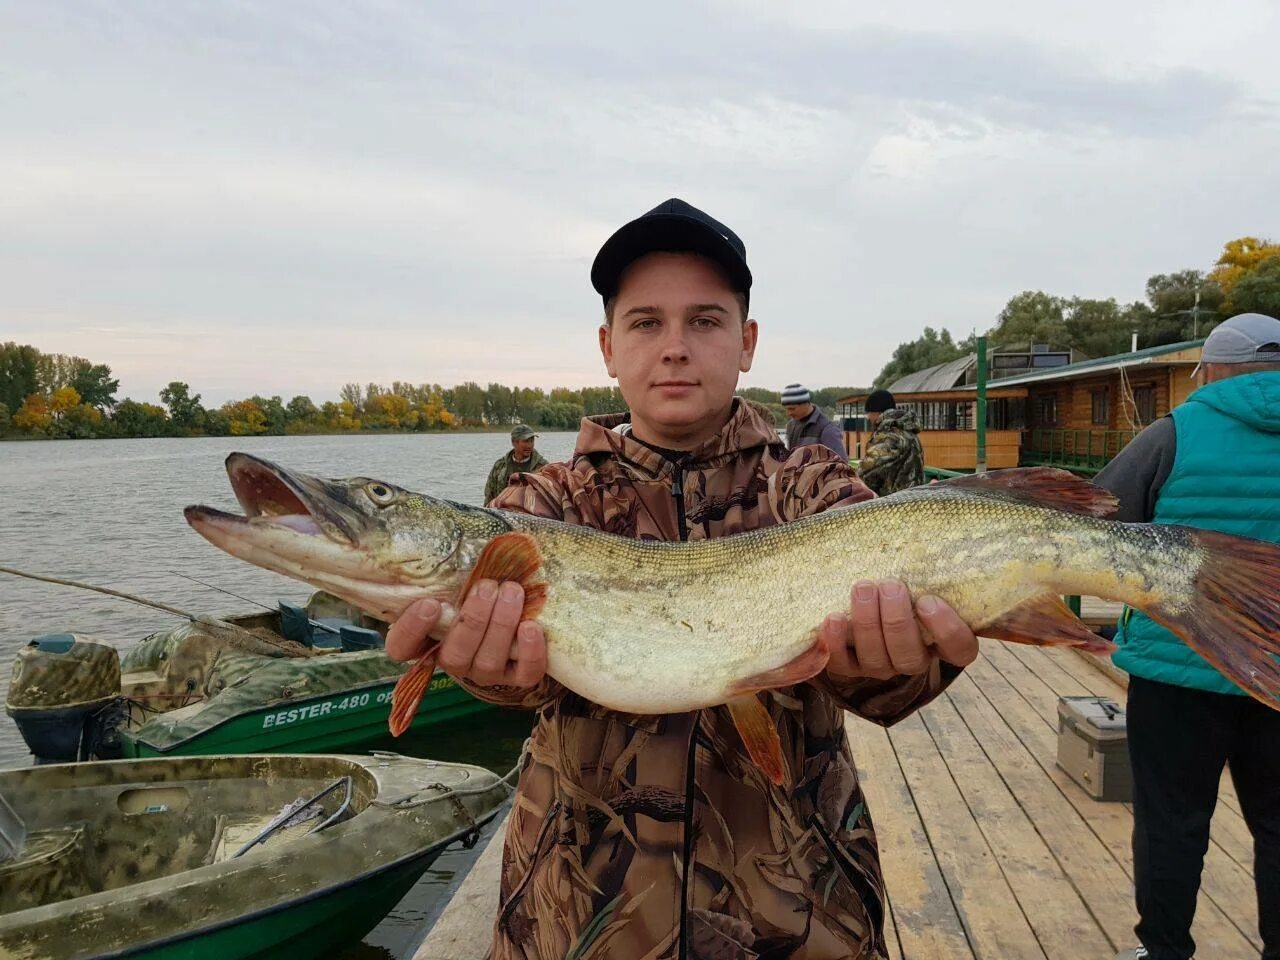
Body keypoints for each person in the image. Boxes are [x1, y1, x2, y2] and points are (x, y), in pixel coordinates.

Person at [387, 197, 978, 960]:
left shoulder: (812, 489)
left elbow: (885, 688)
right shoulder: (543, 505)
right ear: (607, 346)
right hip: (580, 921)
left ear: (746, 341)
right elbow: (528, 684)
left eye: (704, 320)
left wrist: (899, 671)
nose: (674, 347)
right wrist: (489, 674)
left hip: (798, 922)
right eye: (645, 323)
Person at [1094, 312, 1280, 960]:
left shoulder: (1173, 434)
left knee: (1172, 824)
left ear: (1217, 370)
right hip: (1279, 678)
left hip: (1179, 669)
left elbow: (1095, 521)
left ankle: (1164, 949)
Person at [856, 389, 925, 496]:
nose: (868, 417)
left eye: (869, 413)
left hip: (895, 505)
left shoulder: (890, 435)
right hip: (912, 499)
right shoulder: (908, 431)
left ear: (877, 412)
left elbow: (867, 473)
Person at [483, 424, 548, 505]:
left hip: (531, 514)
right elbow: (489, 494)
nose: (529, 445)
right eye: (526, 441)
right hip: (501, 512)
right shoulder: (500, 465)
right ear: (514, 442)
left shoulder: (543, 466)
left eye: (532, 441)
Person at [781, 382, 847, 456]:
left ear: (805, 403)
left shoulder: (827, 428)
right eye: (786, 409)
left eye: (792, 409)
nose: (788, 413)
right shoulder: (791, 425)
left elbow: (841, 463)